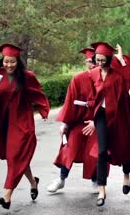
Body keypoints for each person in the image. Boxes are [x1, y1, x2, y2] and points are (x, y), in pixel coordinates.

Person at [0, 43, 50, 209]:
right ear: (2, 60)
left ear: (17, 61)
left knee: (15, 157)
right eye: (6, 61)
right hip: (0, 121)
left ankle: (7, 196)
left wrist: (43, 110)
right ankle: (33, 182)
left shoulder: (26, 76)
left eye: (12, 62)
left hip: (20, 121)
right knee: (18, 159)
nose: (9, 65)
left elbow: (37, 92)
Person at [83, 42, 130, 207]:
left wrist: (121, 58)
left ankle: (126, 174)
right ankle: (101, 190)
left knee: (124, 145)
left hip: (120, 115)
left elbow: (129, 77)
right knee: (101, 152)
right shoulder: (93, 74)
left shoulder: (118, 73)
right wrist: (90, 109)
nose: (99, 63)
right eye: (96, 60)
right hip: (101, 115)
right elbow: (92, 96)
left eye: (102, 60)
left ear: (108, 59)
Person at [47, 47, 99, 194]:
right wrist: (65, 123)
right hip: (79, 122)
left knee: (94, 153)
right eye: (89, 61)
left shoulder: (105, 79)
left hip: (97, 123)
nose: (92, 64)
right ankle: (61, 179)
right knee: (70, 148)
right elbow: (70, 103)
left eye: (95, 61)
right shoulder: (78, 79)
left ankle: (95, 180)